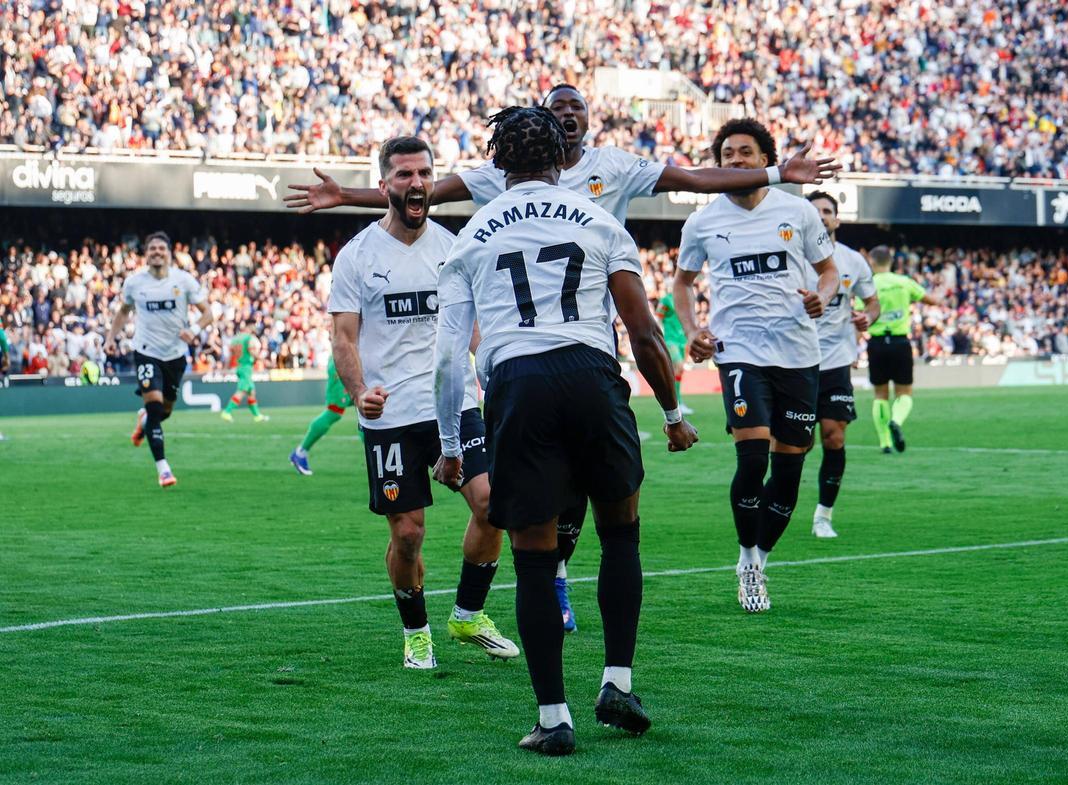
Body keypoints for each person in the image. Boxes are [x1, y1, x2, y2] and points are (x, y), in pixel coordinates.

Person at [287, 82, 839, 632]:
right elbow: (421, 192)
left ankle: (536, 598)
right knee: (567, 492)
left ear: (586, 121)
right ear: (548, 130)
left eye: (578, 105)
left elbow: (693, 180)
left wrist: (776, 175)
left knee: (570, 481)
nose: (569, 113)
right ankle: (557, 595)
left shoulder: (612, 167)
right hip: (527, 351)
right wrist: (351, 197)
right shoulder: (501, 184)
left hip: (589, 343)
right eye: (559, 108)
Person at [432, 106, 698, 755]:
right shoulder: (601, 221)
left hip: (519, 385)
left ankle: (554, 718)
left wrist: (448, 446)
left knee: (534, 557)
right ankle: (618, 682)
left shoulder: (471, 236)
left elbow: (447, 359)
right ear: (561, 159)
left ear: (499, 164)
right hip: (591, 374)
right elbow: (643, 333)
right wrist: (671, 412)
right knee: (620, 533)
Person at [327, 135, 519, 670]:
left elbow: (476, 327)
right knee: (408, 533)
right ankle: (416, 632)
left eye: (424, 174)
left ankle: (467, 613)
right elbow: (344, 337)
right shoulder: (357, 255)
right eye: (405, 175)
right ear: (384, 183)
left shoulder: (454, 246)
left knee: (492, 503)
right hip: (390, 414)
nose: (417, 183)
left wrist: (503, 370)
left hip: (454, 403)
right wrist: (359, 391)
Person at [673, 119, 838, 614]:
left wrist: (821, 299)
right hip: (739, 352)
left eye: (746, 152)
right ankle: (746, 561)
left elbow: (828, 273)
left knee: (788, 473)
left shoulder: (798, 212)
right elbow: (682, 284)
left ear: (767, 161)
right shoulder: (702, 221)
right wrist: (694, 329)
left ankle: (760, 557)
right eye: (728, 154)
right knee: (753, 460)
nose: (737, 161)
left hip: (798, 354)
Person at [103, 231, 214, 487]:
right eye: (152, 248)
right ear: (146, 253)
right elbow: (123, 311)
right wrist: (111, 338)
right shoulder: (134, 283)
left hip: (175, 355)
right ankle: (163, 469)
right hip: (146, 351)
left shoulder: (184, 281)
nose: (156, 252)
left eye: (161, 248)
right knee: (154, 406)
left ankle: (144, 421)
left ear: (169, 253)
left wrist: (194, 330)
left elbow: (207, 313)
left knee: (164, 411)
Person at [806, 192, 881, 537]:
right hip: (795, 361)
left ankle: (824, 515)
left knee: (834, 437)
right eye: (814, 211)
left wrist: (868, 317)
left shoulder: (853, 261)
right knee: (797, 444)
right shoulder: (790, 258)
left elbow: (873, 302)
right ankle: (778, 504)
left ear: (837, 220)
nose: (821, 216)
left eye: (827, 211)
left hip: (836, 360)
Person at [865, 246, 940, 453]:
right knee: (904, 392)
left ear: (871, 262)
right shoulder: (903, 282)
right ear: (892, 262)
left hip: (877, 343)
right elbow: (931, 300)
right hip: (900, 343)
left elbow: (858, 312)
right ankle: (896, 421)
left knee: (880, 395)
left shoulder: (868, 284)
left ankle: (885, 443)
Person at [289, 356, 356, 475]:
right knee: (333, 412)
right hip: (343, 360)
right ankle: (300, 452)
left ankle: (374, 455)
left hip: (354, 360)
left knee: (365, 409)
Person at [656, 288, 693, 416]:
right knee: (678, 366)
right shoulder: (666, 300)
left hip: (682, 339)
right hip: (670, 339)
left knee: (679, 371)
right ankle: (673, 403)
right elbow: (658, 318)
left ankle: (678, 403)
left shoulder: (685, 298)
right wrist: (659, 336)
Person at [220, 328, 269, 422]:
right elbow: (251, 351)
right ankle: (227, 412)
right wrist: (262, 360)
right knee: (241, 391)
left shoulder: (234, 340)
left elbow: (230, 355)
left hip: (239, 366)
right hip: (246, 367)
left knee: (252, 392)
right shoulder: (248, 338)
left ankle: (257, 416)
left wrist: (226, 368)